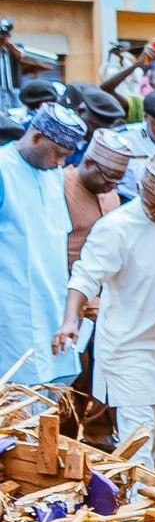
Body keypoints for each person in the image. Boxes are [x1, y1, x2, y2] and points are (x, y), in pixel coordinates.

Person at [54, 154, 155, 468]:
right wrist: (69, 321)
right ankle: (138, 492)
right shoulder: (115, 227)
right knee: (138, 436)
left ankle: (140, 480)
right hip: (127, 348)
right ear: (141, 190)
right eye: (153, 204)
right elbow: (85, 276)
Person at [2, 105, 90, 390]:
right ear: (38, 138)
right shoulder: (3, 169)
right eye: (59, 154)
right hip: (11, 311)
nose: (62, 164)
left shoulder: (52, 175)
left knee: (52, 388)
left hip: (53, 306)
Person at [66, 132, 129, 266]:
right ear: (89, 163)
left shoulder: (113, 197)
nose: (113, 186)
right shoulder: (60, 187)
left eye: (118, 180)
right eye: (108, 178)